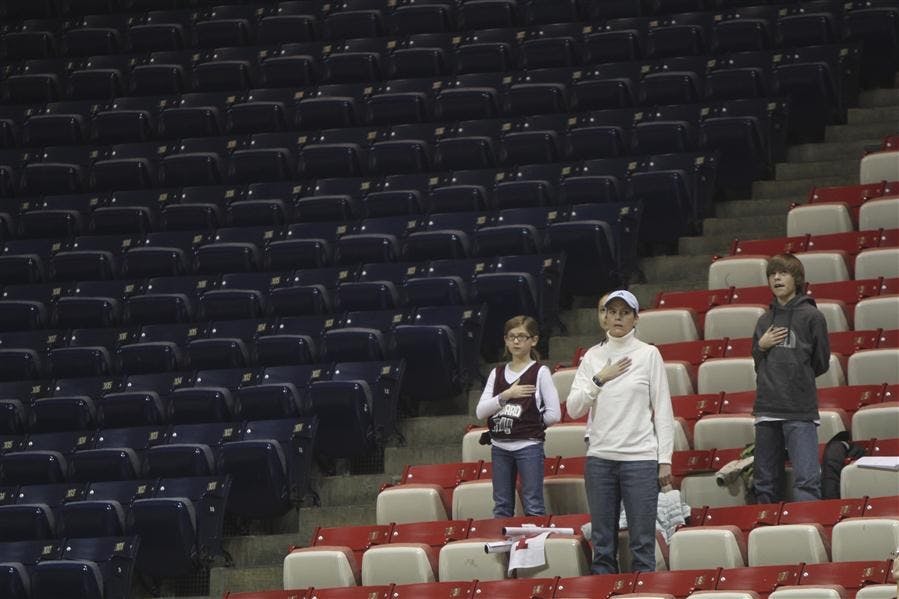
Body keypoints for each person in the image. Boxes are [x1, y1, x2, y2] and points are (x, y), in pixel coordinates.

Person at [567, 290, 675, 574]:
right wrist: (600, 378)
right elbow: (574, 408)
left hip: (640, 459)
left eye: (625, 312)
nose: (617, 317)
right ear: (604, 316)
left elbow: (663, 410)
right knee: (602, 545)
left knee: (642, 543)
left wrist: (665, 459)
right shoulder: (592, 357)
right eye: (612, 311)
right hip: (600, 458)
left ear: (635, 318)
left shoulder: (649, 354)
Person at [751, 253, 830, 504]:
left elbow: (820, 362)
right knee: (764, 483)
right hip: (766, 409)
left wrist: (796, 376)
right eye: (772, 274)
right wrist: (761, 346)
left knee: (807, 480)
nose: (776, 278)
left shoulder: (812, 316)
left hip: (799, 409)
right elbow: (758, 363)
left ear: (796, 279)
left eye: (783, 273)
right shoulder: (764, 320)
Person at [476, 315, 561, 517]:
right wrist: (506, 395)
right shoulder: (496, 373)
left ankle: (533, 547)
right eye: (511, 336)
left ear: (534, 340)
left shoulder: (540, 372)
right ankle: (505, 547)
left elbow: (554, 414)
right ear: (505, 340)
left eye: (522, 336)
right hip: (499, 446)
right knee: (502, 506)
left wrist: (531, 426)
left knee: (533, 504)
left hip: (529, 446)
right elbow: (480, 411)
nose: (516, 341)